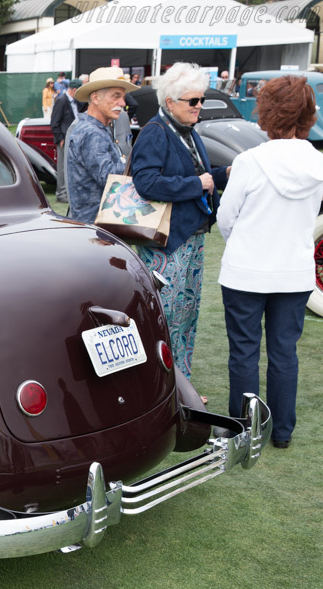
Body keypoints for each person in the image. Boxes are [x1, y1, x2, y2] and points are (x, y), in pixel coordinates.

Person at [216, 76, 323, 448]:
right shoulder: (317, 163)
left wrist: (246, 242)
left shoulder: (249, 161)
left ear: (266, 111)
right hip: (293, 272)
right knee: (284, 353)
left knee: (244, 352)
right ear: (308, 114)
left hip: (247, 269)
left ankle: (244, 430)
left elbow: (226, 218)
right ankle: (281, 432)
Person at [130, 62, 230, 380]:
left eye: (201, 99)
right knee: (165, 316)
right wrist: (196, 185)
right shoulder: (155, 133)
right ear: (170, 102)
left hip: (191, 236)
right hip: (166, 242)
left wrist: (222, 175)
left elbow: (199, 177)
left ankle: (180, 387)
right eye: (193, 101)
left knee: (186, 317)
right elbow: (145, 182)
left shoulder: (187, 132)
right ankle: (159, 386)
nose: (199, 106)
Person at [65, 66, 139, 223]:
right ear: (96, 98)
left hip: (98, 224)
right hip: (97, 227)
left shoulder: (95, 129)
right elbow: (111, 178)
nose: (122, 102)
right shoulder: (92, 132)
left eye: (123, 97)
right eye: (116, 96)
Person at [50, 78, 83, 202]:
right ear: (74, 90)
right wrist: (60, 139)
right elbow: (54, 122)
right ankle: (61, 194)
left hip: (72, 139)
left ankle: (67, 193)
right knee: (63, 167)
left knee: (69, 167)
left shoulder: (74, 102)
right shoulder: (62, 101)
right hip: (64, 139)